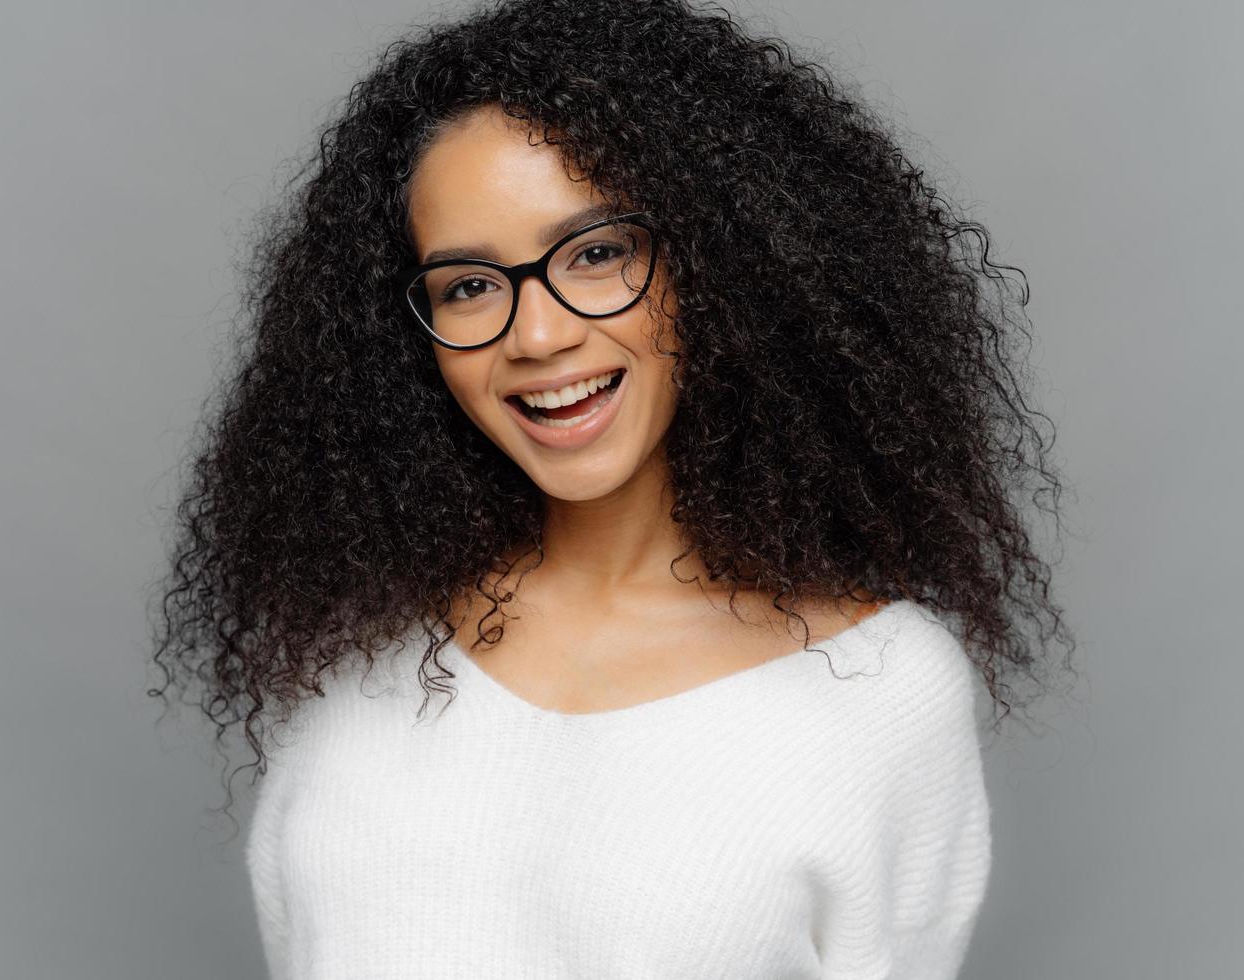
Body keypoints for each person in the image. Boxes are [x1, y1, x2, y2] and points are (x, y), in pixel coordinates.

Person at [147, 0, 1076, 976]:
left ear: (722, 262)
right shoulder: (354, 652)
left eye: (596, 255)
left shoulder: (882, 687)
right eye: (468, 285)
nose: (537, 335)